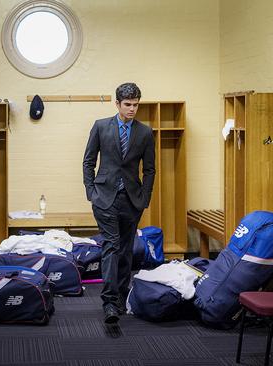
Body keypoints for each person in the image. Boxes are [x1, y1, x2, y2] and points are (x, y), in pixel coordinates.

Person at [82, 82, 155, 323]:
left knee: (126, 251)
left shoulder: (145, 132)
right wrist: (91, 191)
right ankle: (110, 303)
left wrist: (144, 198)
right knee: (111, 247)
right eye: (128, 105)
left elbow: (150, 170)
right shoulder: (101, 127)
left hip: (132, 200)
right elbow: (88, 162)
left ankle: (122, 297)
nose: (132, 109)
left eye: (136, 104)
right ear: (117, 104)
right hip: (104, 198)